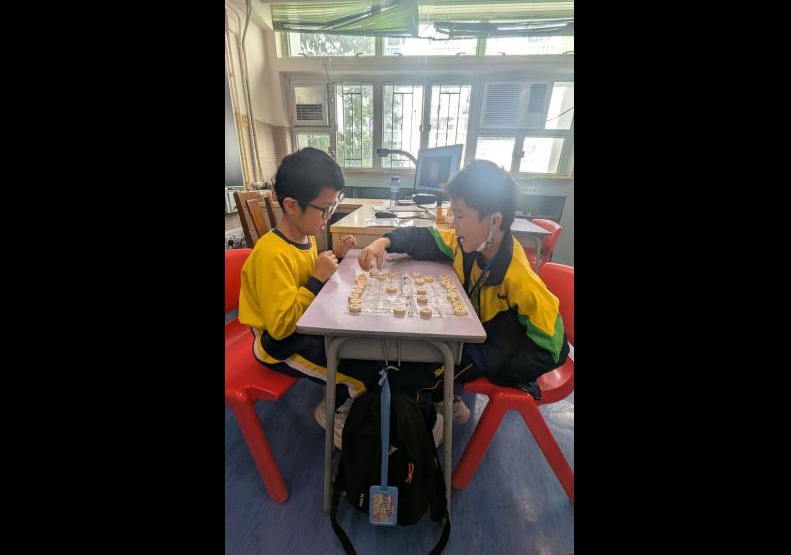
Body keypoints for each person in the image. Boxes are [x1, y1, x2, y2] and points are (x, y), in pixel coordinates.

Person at [238, 147, 443, 448]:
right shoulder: (270, 254)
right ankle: (336, 417)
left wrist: (334, 255)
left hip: (304, 324)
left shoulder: (305, 236)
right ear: (291, 205)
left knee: (359, 350)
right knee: (361, 375)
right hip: (277, 345)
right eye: (325, 208)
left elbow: (303, 279)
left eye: (333, 206)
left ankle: (344, 401)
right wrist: (316, 279)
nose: (329, 215)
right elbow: (281, 327)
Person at [357, 160, 570, 424]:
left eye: (459, 216)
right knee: (405, 355)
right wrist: (385, 241)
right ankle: (447, 400)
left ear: (494, 221)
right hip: (467, 338)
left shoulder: (520, 280)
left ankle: (432, 425)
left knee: (405, 380)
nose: (454, 226)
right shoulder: (469, 244)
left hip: (488, 352)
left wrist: (493, 363)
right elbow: (426, 238)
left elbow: (554, 349)